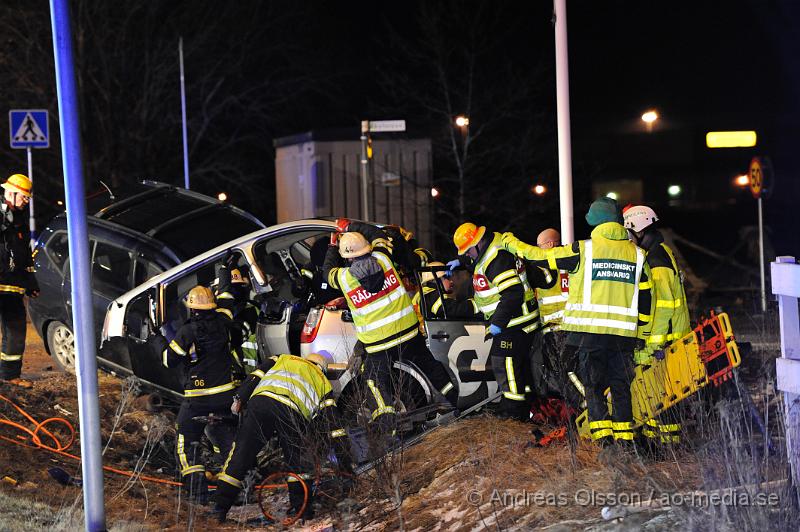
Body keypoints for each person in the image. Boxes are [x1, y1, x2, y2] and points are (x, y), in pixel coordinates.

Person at [502, 197, 653, 446]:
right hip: (624, 338)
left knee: (593, 387)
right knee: (620, 389)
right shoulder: (638, 255)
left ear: (595, 223)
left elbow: (538, 257)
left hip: (590, 335)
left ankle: (604, 443)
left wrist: (511, 242)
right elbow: (647, 299)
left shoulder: (584, 250)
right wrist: (643, 334)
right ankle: (626, 444)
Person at [322, 220, 458, 434]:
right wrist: (349, 226)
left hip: (379, 345)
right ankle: (453, 400)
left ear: (347, 257)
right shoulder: (384, 259)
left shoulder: (344, 278)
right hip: (408, 333)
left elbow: (327, 271)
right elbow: (377, 233)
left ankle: (386, 422)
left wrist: (332, 246)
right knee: (431, 367)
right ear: (367, 248)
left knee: (374, 380)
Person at [212, 353, 351, 523]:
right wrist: (346, 466)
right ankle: (300, 510)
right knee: (297, 463)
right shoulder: (321, 379)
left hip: (260, 404)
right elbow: (334, 427)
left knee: (240, 457)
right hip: (291, 413)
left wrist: (241, 397)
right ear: (322, 368)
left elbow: (256, 374)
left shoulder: (282, 358)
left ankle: (219, 509)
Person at [148, 286, 241, 503]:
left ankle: (199, 494)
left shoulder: (188, 331)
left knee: (186, 442)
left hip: (197, 400)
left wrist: (156, 339)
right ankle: (237, 490)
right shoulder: (223, 321)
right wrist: (226, 270)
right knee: (227, 440)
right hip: (226, 397)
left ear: (191, 308)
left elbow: (168, 360)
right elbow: (227, 300)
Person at [449, 222, 544, 420]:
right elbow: (488, 295)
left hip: (516, 322)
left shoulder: (496, 259)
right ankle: (525, 409)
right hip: (515, 321)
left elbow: (512, 294)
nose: (467, 256)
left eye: (468, 251)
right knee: (518, 371)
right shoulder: (488, 256)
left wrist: (497, 324)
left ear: (478, 243)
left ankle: (514, 414)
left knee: (504, 365)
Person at [623, 204, 690, 445]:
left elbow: (662, 308)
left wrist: (651, 344)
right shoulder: (659, 251)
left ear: (637, 229)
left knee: (662, 396)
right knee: (658, 395)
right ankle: (659, 446)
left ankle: (667, 447)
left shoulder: (656, 261)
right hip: (671, 336)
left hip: (664, 340)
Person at [0, 174, 39, 383]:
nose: (26, 202)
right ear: (11, 193)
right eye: (24, 197)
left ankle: (9, 377)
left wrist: (31, 283)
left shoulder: (20, 221)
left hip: (12, 286)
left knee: (15, 332)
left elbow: (24, 255)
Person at [215, 259, 260, 373]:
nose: (234, 293)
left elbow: (233, 336)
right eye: (232, 289)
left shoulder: (249, 311)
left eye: (237, 288)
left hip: (245, 370)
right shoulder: (251, 307)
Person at [412, 261, 480, 321]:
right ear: (436, 280)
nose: (451, 281)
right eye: (447, 277)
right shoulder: (431, 297)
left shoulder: (425, 293)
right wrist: (478, 304)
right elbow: (453, 310)